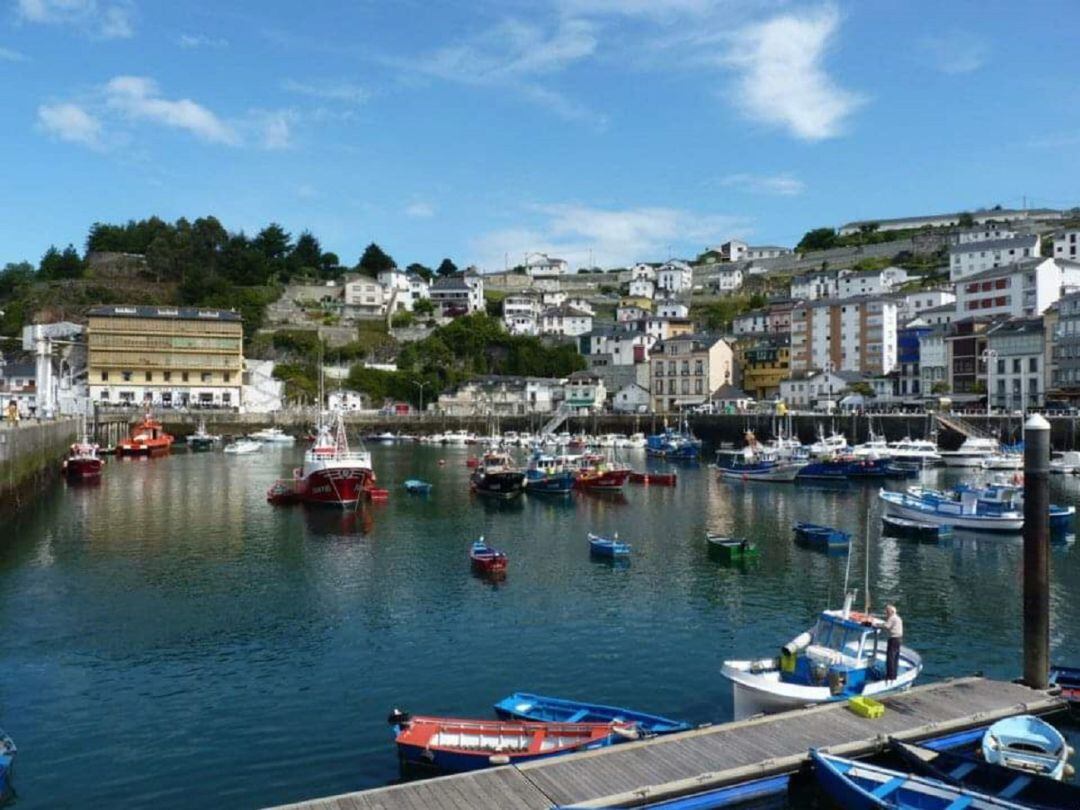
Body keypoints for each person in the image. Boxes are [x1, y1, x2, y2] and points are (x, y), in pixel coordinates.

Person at [876, 604, 904, 681]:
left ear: (891, 611)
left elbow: (887, 626)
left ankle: (890, 676)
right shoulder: (897, 618)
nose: (886, 613)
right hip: (899, 639)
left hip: (893, 639)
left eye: (887, 611)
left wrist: (877, 625)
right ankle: (894, 675)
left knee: (890, 658)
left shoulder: (892, 618)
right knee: (895, 658)